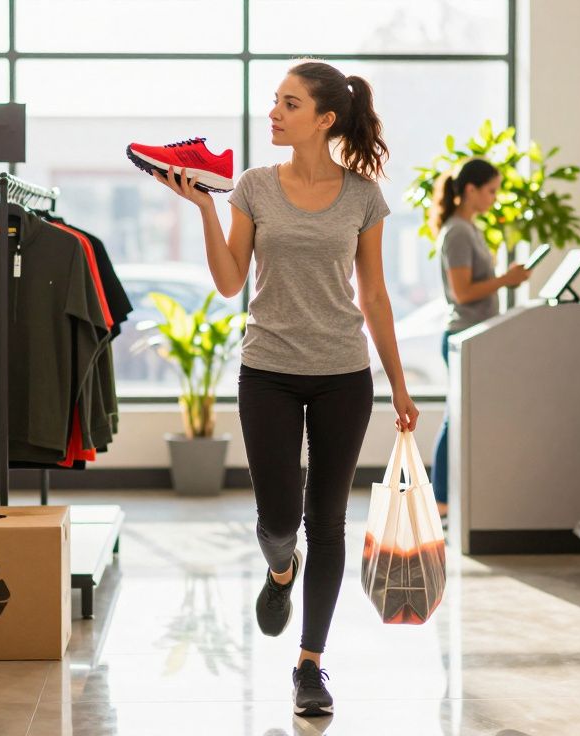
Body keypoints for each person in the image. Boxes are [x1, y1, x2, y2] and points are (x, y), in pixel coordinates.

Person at [152, 59, 418, 718]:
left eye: (289, 104)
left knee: (327, 522)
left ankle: (310, 664)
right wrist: (208, 210)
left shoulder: (362, 196)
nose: (274, 112)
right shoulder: (252, 186)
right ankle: (279, 570)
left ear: (325, 119)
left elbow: (376, 295)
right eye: (275, 100)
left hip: (342, 375)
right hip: (268, 368)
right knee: (279, 519)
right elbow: (227, 280)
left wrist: (400, 386)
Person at [430, 159, 531, 518]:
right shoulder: (457, 232)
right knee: (453, 417)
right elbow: (461, 292)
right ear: (470, 190)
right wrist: (505, 280)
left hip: (475, 335)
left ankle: (447, 497)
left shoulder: (469, 229)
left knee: (458, 416)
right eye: (490, 190)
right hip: (463, 334)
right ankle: (440, 498)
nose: (494, 198)